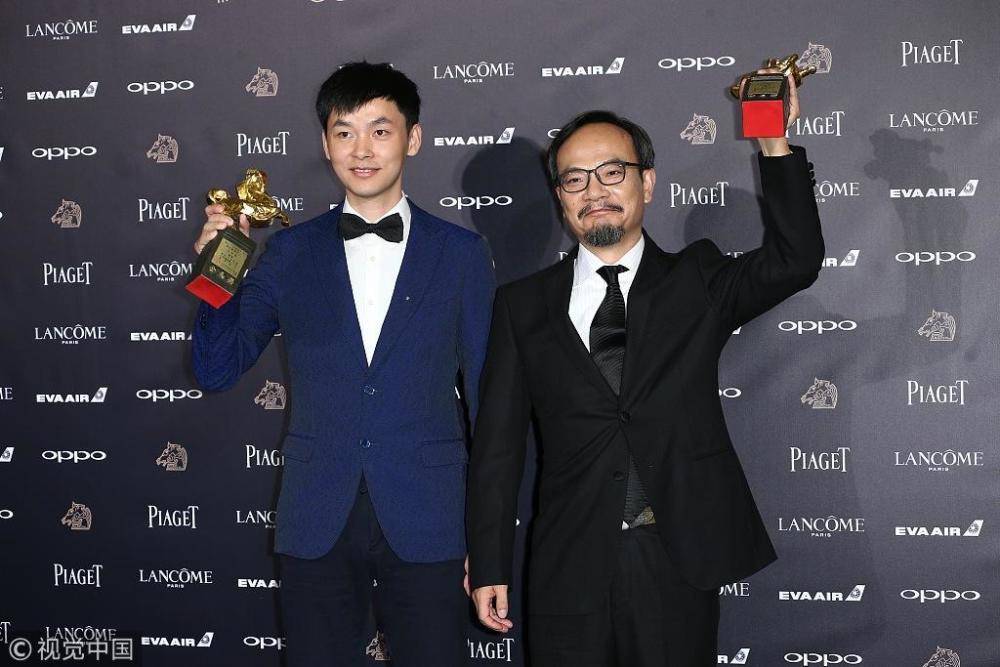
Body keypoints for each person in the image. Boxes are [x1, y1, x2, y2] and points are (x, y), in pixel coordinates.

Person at [467, 68, 823, 666]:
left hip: (676, 558)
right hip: (568, 563)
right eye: (574, 179)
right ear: (560, 196)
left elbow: (797, 259)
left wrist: (770, 136)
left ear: (647, 182)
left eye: (612, 172)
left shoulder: (698, 279)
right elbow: (497, 449)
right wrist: (488, 563)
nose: (594, 190)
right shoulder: (521, 305)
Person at [191, 61, 496, 667]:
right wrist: (216, 272)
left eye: (380, 130)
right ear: (325, 144)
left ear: (413, 138)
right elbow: (216, 369)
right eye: (345, 131)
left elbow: (489, 402)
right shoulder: (289, 252)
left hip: (429, 513)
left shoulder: (461, 254)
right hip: (317, 512)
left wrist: (488, 541)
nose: (362, 150)